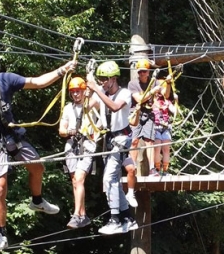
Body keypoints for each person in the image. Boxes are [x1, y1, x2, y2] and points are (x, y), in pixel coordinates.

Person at [0, 47, 76, 250]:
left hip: (12, 134)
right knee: (0, 186)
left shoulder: (4, 80)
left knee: (38, 167)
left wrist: (62, 71)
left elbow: (37, 82)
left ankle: (37, 201)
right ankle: (0, 234)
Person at [86, 61, 139, 235]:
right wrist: (88, 90)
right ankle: (127, 218)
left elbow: (115, 107)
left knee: (109, 179)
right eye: (100, 79)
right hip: (109, 140)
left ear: (113, 78)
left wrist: (96, 89)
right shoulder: (101, 92)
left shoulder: (124, 93)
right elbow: (88, 106)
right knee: (113, 181)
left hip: (122, 139)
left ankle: (115, 220)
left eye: (104, 79)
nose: (102, 82)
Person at [59, 76, 99, 229]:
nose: (76, 94)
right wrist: (69, 131)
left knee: (80, 178)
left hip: (88, 145)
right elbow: (61, 130)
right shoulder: (68, 108)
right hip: (71, 145)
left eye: (78, 91)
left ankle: (76, 214)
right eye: (73, 92)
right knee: (75, 181)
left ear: (84, 92)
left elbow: (96, 97)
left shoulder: (90, 104)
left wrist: (90, 79)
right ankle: (83, 215)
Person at [128, 58, 159, 177]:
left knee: (149, 141)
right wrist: (152, 92)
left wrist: (167, 82)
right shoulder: (133, 84)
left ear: (148, 72)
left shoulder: (154, 82)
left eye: (144, 71)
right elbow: (139, 99)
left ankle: (152, 168)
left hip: (149, 113)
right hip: (136, 113)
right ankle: (132, 167)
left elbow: (164, 92)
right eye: (140, 72)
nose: (142, 74)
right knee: (134, 141)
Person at [152, 79, 177, 176]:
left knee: (166, 149)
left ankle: (165, 171)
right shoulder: (152, 101)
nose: (159, 94)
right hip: (156, 126)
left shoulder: (167, 101)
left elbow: (174, 111)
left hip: (165, 126)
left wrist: (176, 101)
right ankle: (157, 169)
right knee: (157, 148)